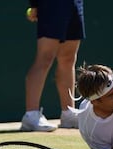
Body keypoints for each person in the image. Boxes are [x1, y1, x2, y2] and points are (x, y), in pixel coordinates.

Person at [20, 0, 85, 132]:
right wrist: (34, 4)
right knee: (45, 58)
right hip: (51, 4)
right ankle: (31, 115)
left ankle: (68, 113)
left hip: (74, 3)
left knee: (68, 59)